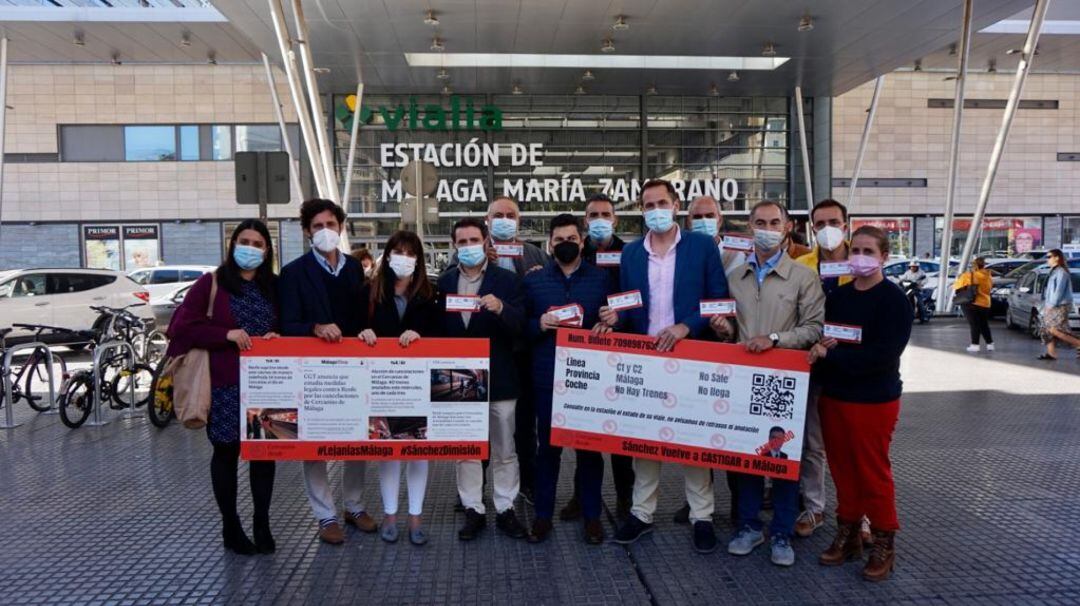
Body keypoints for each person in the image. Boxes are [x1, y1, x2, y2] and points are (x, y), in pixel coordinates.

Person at [604, 178, 728, 554]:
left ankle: (702, 516)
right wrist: (613, 318)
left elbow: (717, 302)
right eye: (647, 204)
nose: (655, 209)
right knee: (645, 442)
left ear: (676, 205)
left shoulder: (702, 246)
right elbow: (628, 307)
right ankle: (642, 514)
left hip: (691, 355)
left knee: (693, 440)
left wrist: (685, 326)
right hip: (646, 358)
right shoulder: (631, 254)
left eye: (661, 202)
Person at [711, 200, 824, 567]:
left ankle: (781, 532)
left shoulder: (803, 277)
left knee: (781, 458)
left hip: (785, 378)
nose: (767, 228)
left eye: (774, 222)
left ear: (787, 227)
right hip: (743, 378)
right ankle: (748, 526)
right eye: (760, 222)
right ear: (749, 226)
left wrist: (775, 339)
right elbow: (729, 329)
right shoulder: (735, 277)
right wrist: (724, 330)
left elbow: (814, 328)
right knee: (746, 455)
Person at [166, 219, 279, 555]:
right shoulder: (211, 283)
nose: (250, 248)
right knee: (226, 454)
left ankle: (262, 523)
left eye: (257, 243)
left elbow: (285, 322)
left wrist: (277, 336)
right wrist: (224, 335)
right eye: (244, 241)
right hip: (225, 386)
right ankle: (230, 525)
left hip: (267, 385)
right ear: (232, 245)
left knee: (263, 455)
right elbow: (181, 327)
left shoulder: (273, 285)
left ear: (267, 250)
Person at [807, 225, 912, 582]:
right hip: (835, 398)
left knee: (872, 472)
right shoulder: (839, 297)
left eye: (870, 252)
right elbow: (827, 341)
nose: (862, 258)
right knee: (841, 470)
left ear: (884, 257)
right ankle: (848, 532)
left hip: (874, 401)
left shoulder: (894, 300)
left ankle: (884, 539)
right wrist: (824, 352)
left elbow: (882, 356)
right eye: (857, 251)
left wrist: (830, 357)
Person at [279, 199, 374, 545]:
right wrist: (315, 327)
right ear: (307, 231)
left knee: (356, 439)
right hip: (313, 373)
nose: (325, 231)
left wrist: (366, 330)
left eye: (331, 224)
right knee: (314, 444)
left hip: (352, 370)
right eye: (317, 226)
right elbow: (286, 322)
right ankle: (325, 515)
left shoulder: (352, 268)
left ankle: (355, 505)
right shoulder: (292, 273)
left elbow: (362, 314)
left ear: (341, 227)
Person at [523, 214, 612, 545]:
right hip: (548, 377)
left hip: (589, 379)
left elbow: (615, 317)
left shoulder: (601, 280)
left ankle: (592, 516)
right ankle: (543, 516)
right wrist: (539, 324)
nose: (565, 244)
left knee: (590, 451)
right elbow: (522, 326)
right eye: (559, 239)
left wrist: (611, 323)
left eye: (571, 239)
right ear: (550, 243)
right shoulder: (534, 281)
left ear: (582, 241)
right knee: (547, 450)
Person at [438, 218, 529, 541]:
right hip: (458, 377)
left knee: (505, 447)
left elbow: (522, 325)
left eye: (473, 240)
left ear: (485, 240)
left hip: (501, 376)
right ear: (454, 246)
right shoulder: (445, 282)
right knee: (466, 448)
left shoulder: (506, 280)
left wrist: (502, 307)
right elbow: (438, 330)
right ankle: (473, 508)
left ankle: (505, 508)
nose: (467, 247)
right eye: (461, 242)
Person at [358, 230, 441, 546]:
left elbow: (443, 337)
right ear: (387, 255)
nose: (403, 257)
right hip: (383, 384)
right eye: (397, 250)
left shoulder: (432, 293)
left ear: (418, 258)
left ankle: (416, 516)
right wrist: (362, 334)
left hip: (419, 385)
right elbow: (353, 330)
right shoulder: (369, 292)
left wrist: (422, 338)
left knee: (419, 452)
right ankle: (390, 515)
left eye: (410, 251)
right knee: (388, 451)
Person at [560, 193, 635, 523]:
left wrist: (619, 317)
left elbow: (638, 298)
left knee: (621, 437)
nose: (601, 218)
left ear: (615, 219)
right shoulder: (577, 250)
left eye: (607, 213)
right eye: (594, 214)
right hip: (583, 352)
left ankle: (625, 499)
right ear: (585, 221)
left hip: (620, 351)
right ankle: (582, 496)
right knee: (584, 432)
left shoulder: (632, 252)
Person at [791, 199, 854, 539]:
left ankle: (860, 515)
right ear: (811, 228)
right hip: (812, 363)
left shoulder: (862, 263)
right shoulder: (801, 264)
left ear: (845, 223)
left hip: (851, 366)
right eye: (820, 223)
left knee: (851, 444)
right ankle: (814, 508)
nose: (827, 228)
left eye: (834, 221)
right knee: (812, 444)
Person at [484, 195, 549, 503]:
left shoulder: (534, 252)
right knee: (480, 421)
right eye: (499, 214)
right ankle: (474, 488)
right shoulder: (473, 250)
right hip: (485, 351)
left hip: (524, 349)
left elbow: (543, 296)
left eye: (511, 214)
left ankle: (530, 481)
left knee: (525, 421)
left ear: (519, 221)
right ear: (488, 220)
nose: (505, 219)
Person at [687, 195, 747, 275]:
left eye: (710, 216)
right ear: (689, 222)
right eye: (697, 217)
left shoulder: (739, 256)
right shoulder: (679, 255)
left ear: (720, 221)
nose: (704, 221)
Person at [1039, 249, 1080, 360]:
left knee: (1054, 329)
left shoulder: (1061, 272)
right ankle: (1051, 353)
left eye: (1049, 256)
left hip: (1060, 305)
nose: (1047, 259)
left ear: (1057, 257)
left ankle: (1078, 343)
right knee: (1046, 328)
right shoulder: (1053, 271)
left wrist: (1051, 305)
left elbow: (1059, 291)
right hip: (1052, 304)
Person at [954, 257, 994, 353]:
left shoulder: (967, 275)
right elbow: (989, 288)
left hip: (971, 302)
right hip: (985, 303)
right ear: (983, 265)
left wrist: (960, 278)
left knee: (974, 324)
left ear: (974, 265)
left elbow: (957, 287)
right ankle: (990, 344)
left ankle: (975, 345)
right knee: (983, 324)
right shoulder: (988, 276)